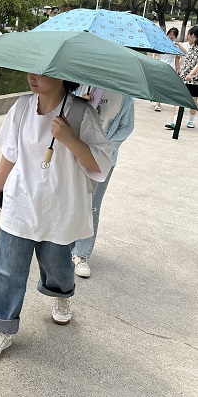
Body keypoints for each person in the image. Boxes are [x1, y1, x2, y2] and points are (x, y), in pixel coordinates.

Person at [0, 74, 112, 363]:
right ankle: (0, 327)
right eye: (32, 69)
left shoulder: (81, 112)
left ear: (63, 75)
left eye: (42, 71)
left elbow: (100, 164)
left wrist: (69, 138)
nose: (32, 76)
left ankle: (61, 293)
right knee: (6, 269)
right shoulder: (22, 106)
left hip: (59, 206)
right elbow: (10, 151)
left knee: (57, 265)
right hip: (21, 200)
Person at [71, 88, 134, 278]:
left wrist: (106, 148)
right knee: (68, 198)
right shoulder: (81, 85)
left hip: (103, 159)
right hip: (75, 150)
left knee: (92, 204)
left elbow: (126, 127)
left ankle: (81, 253)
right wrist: (79, 103)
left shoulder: (125, 95)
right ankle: (61, 245)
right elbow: (65, 113)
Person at [165, 25, 198, 129]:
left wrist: (191, 74)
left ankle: (190, 121)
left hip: (194, 80)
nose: (187, 37)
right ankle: (175, 121)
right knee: (179, 98)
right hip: (185, 77)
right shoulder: (192, 46)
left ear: (193, 35)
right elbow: (188, 55)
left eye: (189, 35)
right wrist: (179, 46)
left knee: (193, 100)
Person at [152, 27, 185, 111]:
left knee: (169, 85)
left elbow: (179, 56)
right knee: (160, 84)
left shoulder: (175, 45)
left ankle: (174, 102)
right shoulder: (162, 43)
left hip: (170, 65)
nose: (171, 36)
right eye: (169, 34)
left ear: (176, 36)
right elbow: (155, 53)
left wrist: (177, 68)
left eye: (173, 35)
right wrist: (153, 60)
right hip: (161, 63)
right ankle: (158, 102)